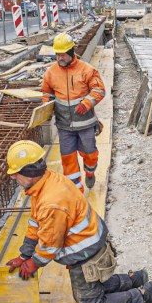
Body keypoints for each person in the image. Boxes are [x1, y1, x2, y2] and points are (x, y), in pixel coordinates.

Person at [4, 140, 152, 303]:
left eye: (16, 174)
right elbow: (35, 223)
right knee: (85, 294)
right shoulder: (44, 183)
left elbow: (50, 246)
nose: (13, 177)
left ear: (29, 174)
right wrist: (24, 255)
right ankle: (136, 279)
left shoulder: (51, 202)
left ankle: (145, 294)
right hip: (89, 244)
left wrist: (33, 263)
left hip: (86, 254)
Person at [41, 32, 105, 192]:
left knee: (90, 154)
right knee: (68, 160)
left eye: (62, 55)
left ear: (71, 52)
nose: (59, 58)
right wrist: (46, 106)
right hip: (64, 126)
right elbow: (47, 92)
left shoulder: (87, 70)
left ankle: (90, 173)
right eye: (57, 54)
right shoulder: (51, 72)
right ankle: (76, 191)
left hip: (85, 125)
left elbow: (99, 89)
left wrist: (87, 102)